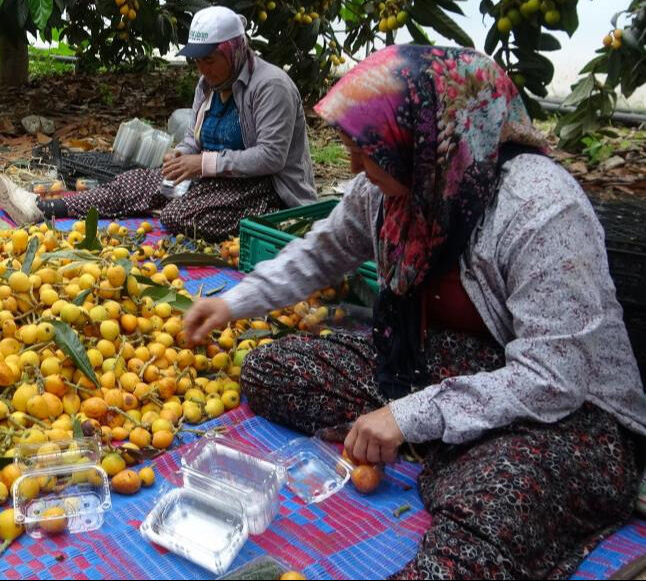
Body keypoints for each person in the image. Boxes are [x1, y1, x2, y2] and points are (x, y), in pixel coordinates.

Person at [184, 44, 646, 579]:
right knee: (273, 369)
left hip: (567, 413)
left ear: (424, 136)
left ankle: (464, 464)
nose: (353, 166)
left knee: (483, 527)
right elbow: (322, 252)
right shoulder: (387, 190)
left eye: (367, 149)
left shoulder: (540, 208)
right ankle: (451, 453)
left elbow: (555, 377)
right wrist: (232, 302)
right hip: (448, 367)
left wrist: (409, 416)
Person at [0, 5, 316, 241]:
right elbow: (193, 140)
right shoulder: (208, 85)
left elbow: (271, 157)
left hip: (266, 190)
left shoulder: (270, 86)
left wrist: (201, 164)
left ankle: (263, 222)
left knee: (180, 215)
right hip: (215, 178)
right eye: (198, 61)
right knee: (131, 183)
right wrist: (182, 155)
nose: (203, 69)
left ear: (234, 51)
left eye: (210, 60)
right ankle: (41, 208)